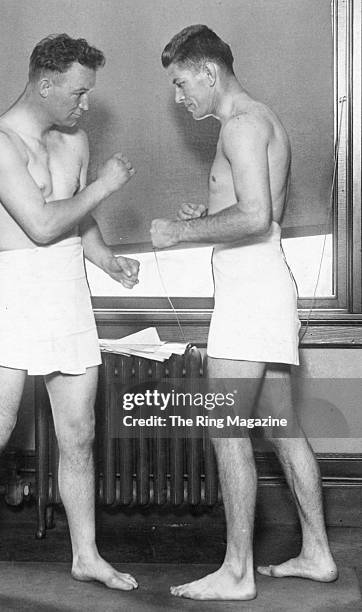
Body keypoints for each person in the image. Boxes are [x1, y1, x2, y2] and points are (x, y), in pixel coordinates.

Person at [0, 33, 140, 596]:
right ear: (45, 84)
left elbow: (74, 218)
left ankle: (86, 555)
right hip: (17, 292)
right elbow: (42, 224)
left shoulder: (73, 140)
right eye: (77, 92)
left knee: (78, 434)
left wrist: (105, 259)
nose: (85, 104)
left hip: (69, 288)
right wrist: (105, 186)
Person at [150, 24, 338, 601]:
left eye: (183, 84)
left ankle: (236, 572)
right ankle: (317, 553)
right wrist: (208, 214)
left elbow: (255, 216)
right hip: (261, 284)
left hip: (251, 291)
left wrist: (183, 229)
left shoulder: (240, 124)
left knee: (224, 429)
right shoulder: (257, 119)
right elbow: (253, 211)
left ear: (209, 72)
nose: (181, 99)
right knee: (281, 429)